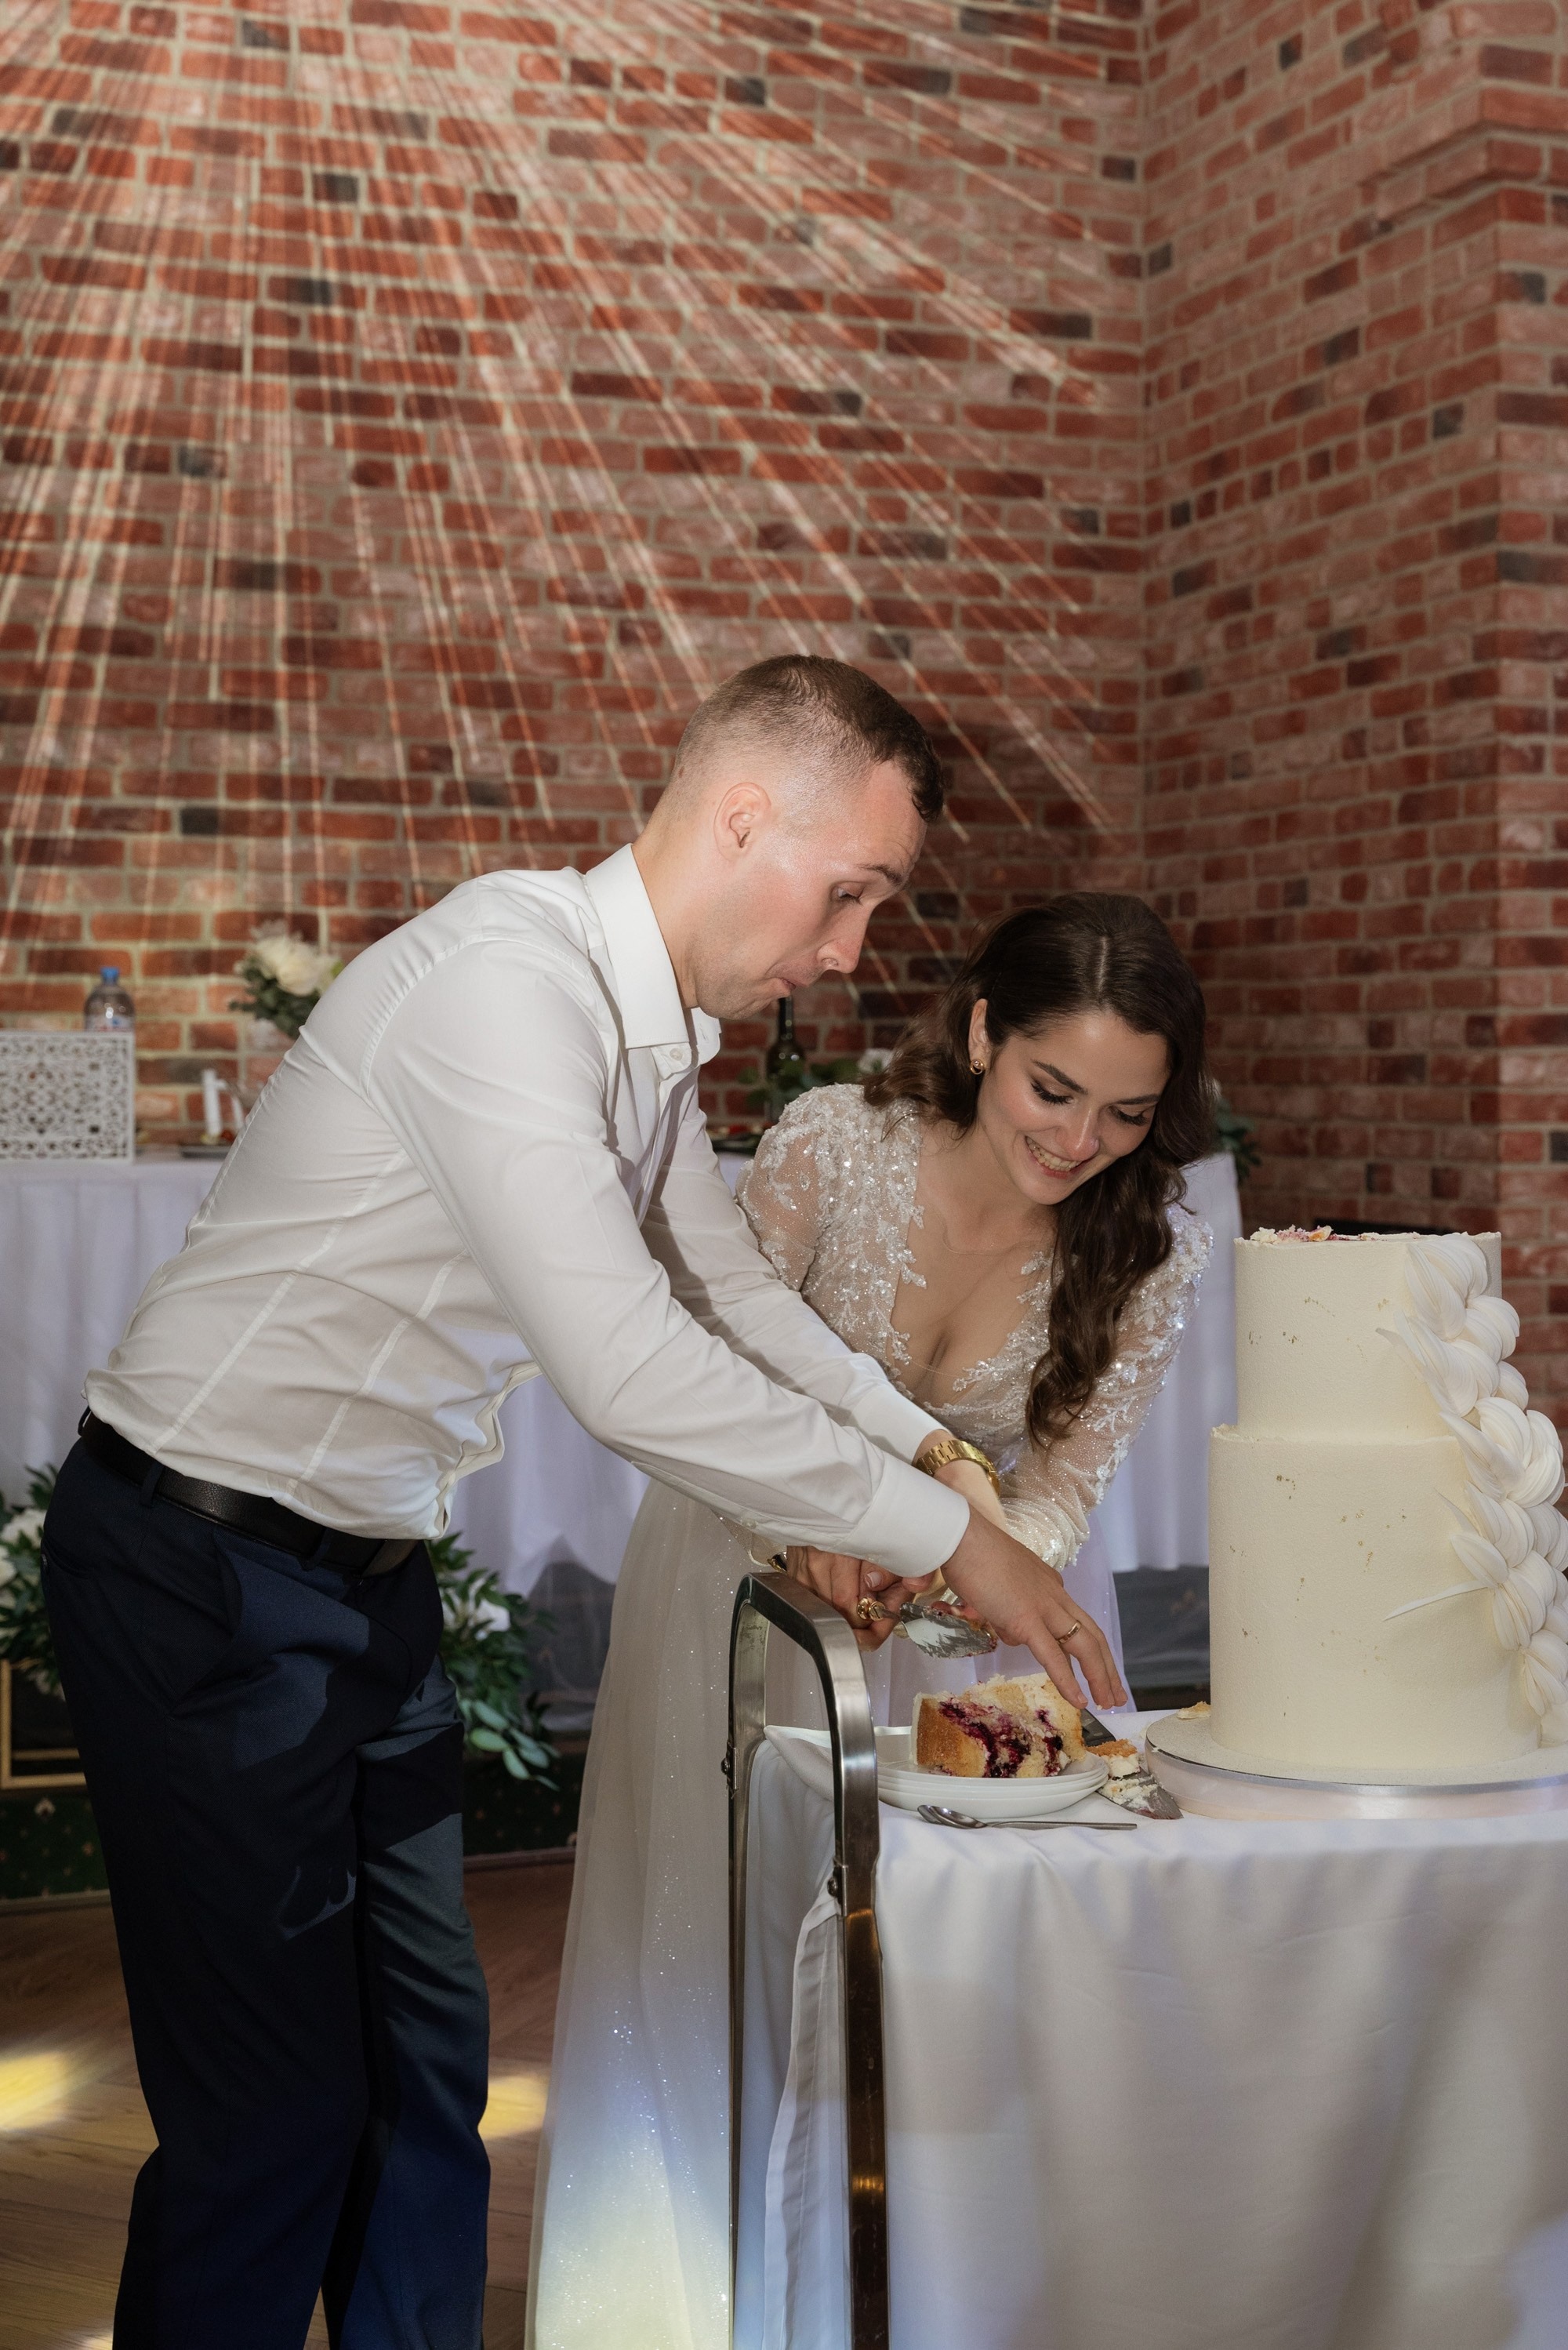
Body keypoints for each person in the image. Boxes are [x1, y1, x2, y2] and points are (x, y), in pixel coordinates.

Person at [41, 654, 1120, 2350]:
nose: (849, 951)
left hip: (361, 1573)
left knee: (420, 2077)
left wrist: (919, 1451)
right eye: (848, 894)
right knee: (271, 2115)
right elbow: (626, 1367)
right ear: (742, 814)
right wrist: (955, 1540)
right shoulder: (504, 983)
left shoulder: (643, 1034)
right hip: (198, 1565)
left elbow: (723, 1295)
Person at [528, 892, 1214, 2350]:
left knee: (887, 1998)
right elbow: (697, 1375)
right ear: (980, 1033)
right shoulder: (831, 1146)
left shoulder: (1147, 1259)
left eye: (1127, 1112)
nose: (1079, 1139)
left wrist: (939, 1577)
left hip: (923, 1666)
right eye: (1052, 1087)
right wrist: (822, 1531)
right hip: (727, 1594)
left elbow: (1055, 1507)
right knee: (706, 1955)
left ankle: (869, 2305)